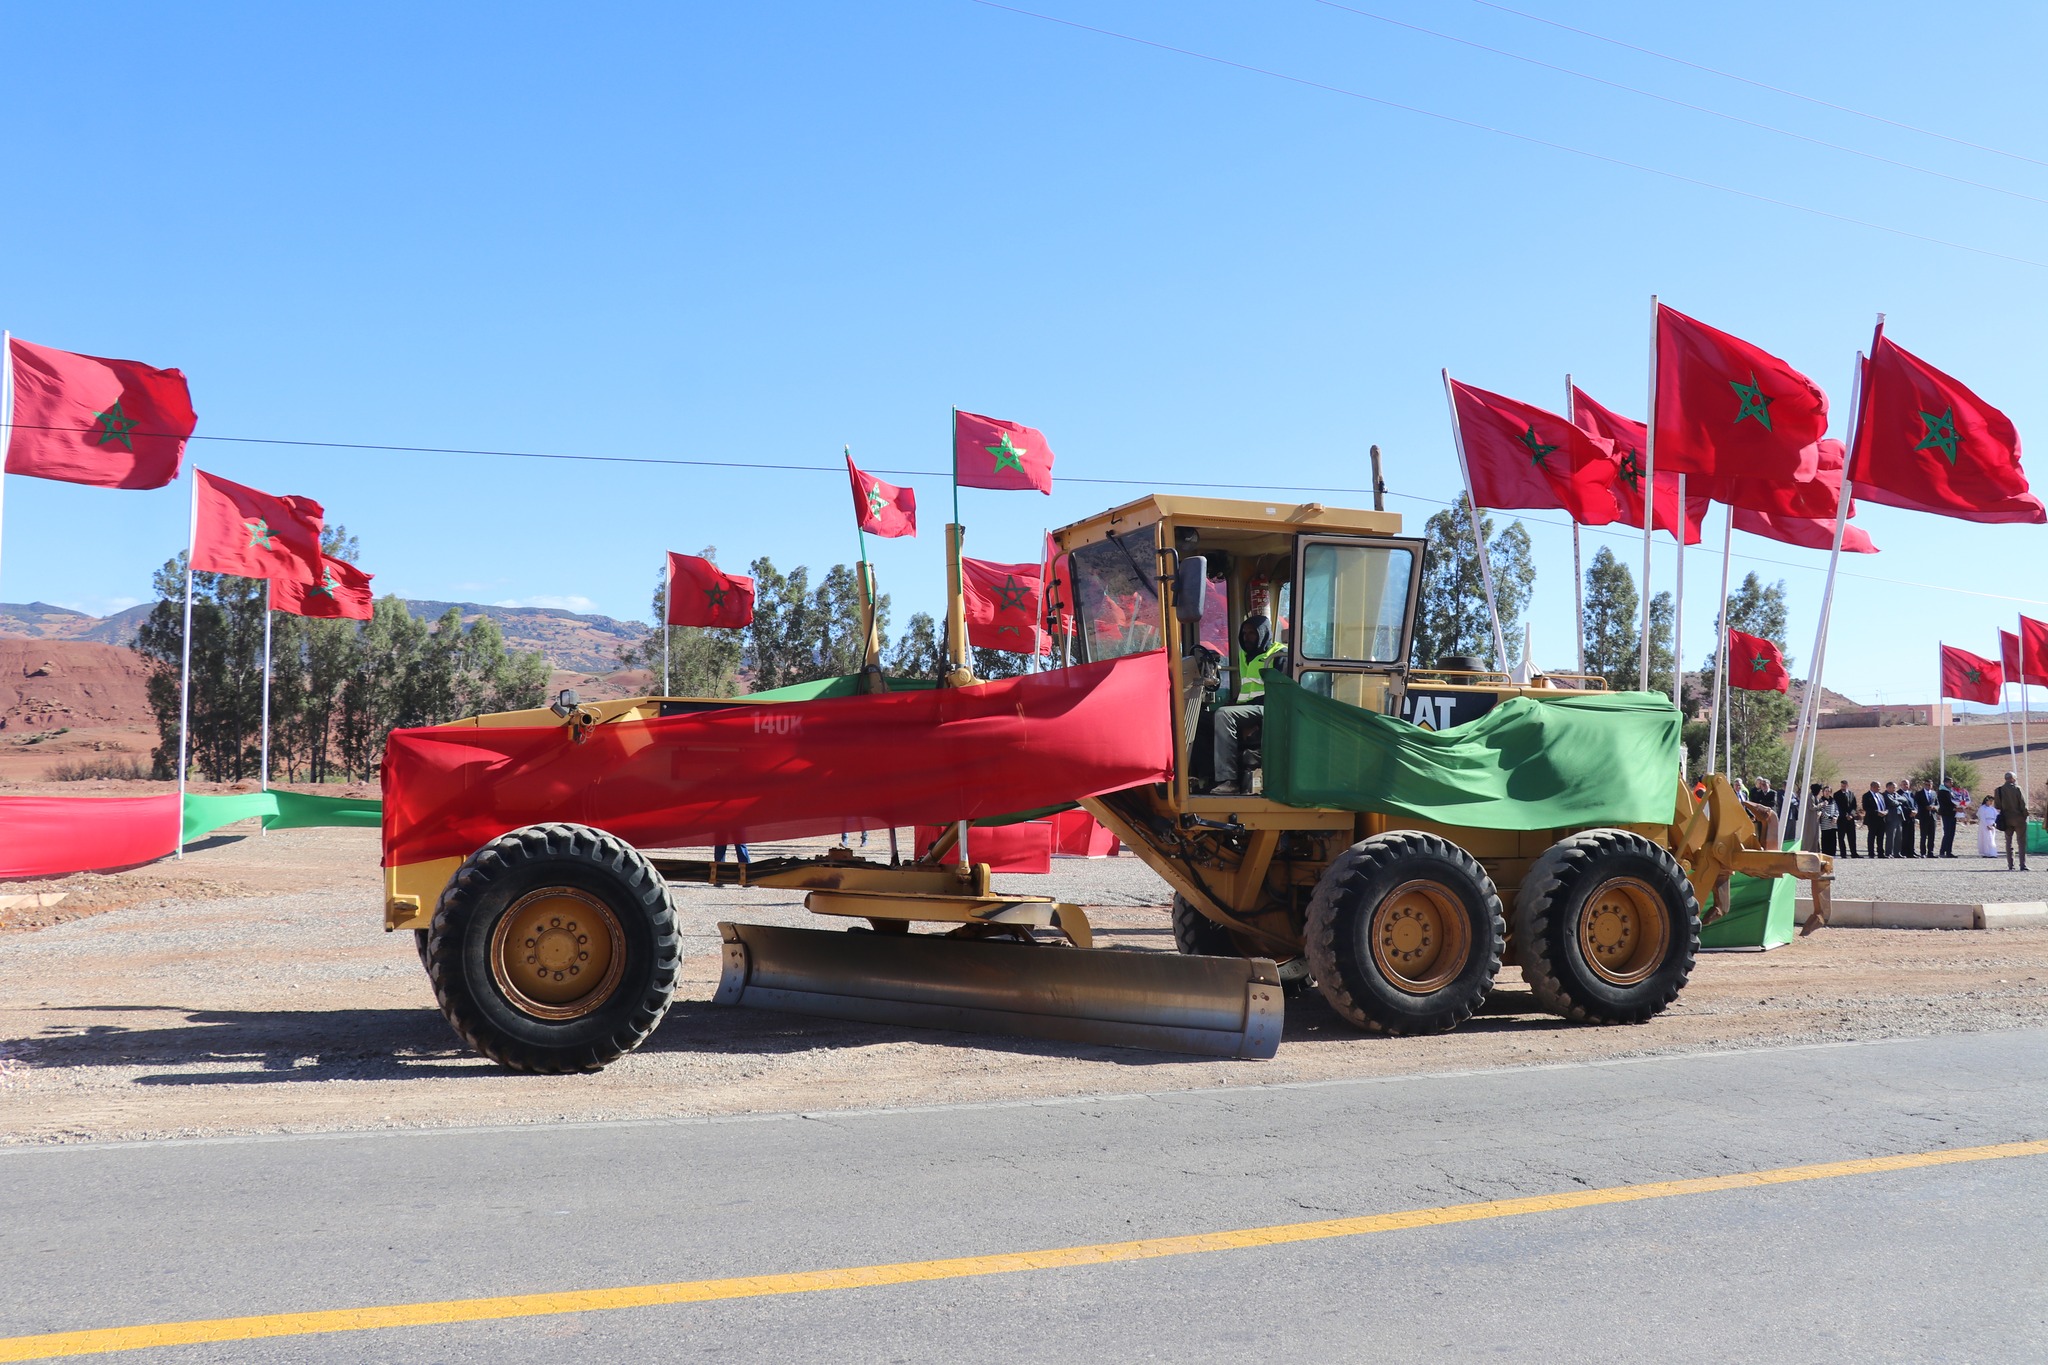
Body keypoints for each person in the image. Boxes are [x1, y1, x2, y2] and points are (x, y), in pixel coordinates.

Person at [1210, 613, 1288, 797]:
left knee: (1224, 715)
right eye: (1244, 633)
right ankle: (1203, 778)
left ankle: (1228, 781)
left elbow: (1281, 694)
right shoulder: (1245, 656)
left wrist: (1252, 721)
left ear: (1263, 633)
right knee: (1203, 718)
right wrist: (1235, 702)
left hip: (1271, 709)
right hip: (1252, 708)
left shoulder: (1279, 655)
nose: (1247, 637)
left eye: (1252, 633)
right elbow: (1248, 690)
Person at [1993, 770, 2030, 871]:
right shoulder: (2017, 789)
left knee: (2008, 841)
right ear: (2013, 779)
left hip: (2006, 818)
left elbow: (1997, 806)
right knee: (2021, 842)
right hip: (2019, 818)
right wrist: (2025, 815)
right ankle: (2022, 865)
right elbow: (2023, 804)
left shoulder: (1998, 790)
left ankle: (2011, 865)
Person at [1833, 780, 1859, 858]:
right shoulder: (1837, 794)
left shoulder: (1851, 794)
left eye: (1844, 786)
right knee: (1841, 837)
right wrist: (1845, 815)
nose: (1843, 787)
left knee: (1852, 837)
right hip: (1841, 819)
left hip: (1850, 819)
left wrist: (1851, 815)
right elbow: (1838, 806)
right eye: (1842, 786)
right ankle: (1843, 854)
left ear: (1847, 785)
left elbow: (1854, 806)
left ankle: (1854, 853)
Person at [1862, 781, 1889, 857]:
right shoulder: (1866, 796)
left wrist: (1886, 812)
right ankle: (1871, 853)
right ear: (1872, 787)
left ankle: (1880, 853)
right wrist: (1877, 812)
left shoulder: (1881, 795)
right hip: (1872, 819)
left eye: (1879, 787)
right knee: (1872, 836)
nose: (1879, 788)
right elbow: (1866, 807)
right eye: (1877, 787)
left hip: (1882, 819)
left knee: (1881, 836)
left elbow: (1885, 806)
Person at [1937, 779, 1960, 857]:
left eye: (1952, 782)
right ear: (1945, 783)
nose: (1951, 784)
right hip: (1946, 814)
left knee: (1951, 833)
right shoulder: (1942, 792)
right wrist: (1954, 808)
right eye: (1950, 782)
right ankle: (1943, 851)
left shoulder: (1951, 791)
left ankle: (1948, 851)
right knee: (1947, 833)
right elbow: (1944, 804)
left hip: (1952, 814)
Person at [1979, 792, 2002, 859]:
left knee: (1992, 838)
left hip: (1992, 824)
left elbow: (1996, 816)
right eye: (1990, 801)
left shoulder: (1992, 809)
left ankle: (1992, 852)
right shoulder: (1982, 808)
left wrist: (1994, 823)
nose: (1991, 802)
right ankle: (1987, 852)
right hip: (1985, 824)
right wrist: (1987, 825)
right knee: (1987, 838)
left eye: (1992, 801)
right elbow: (1982, 817)